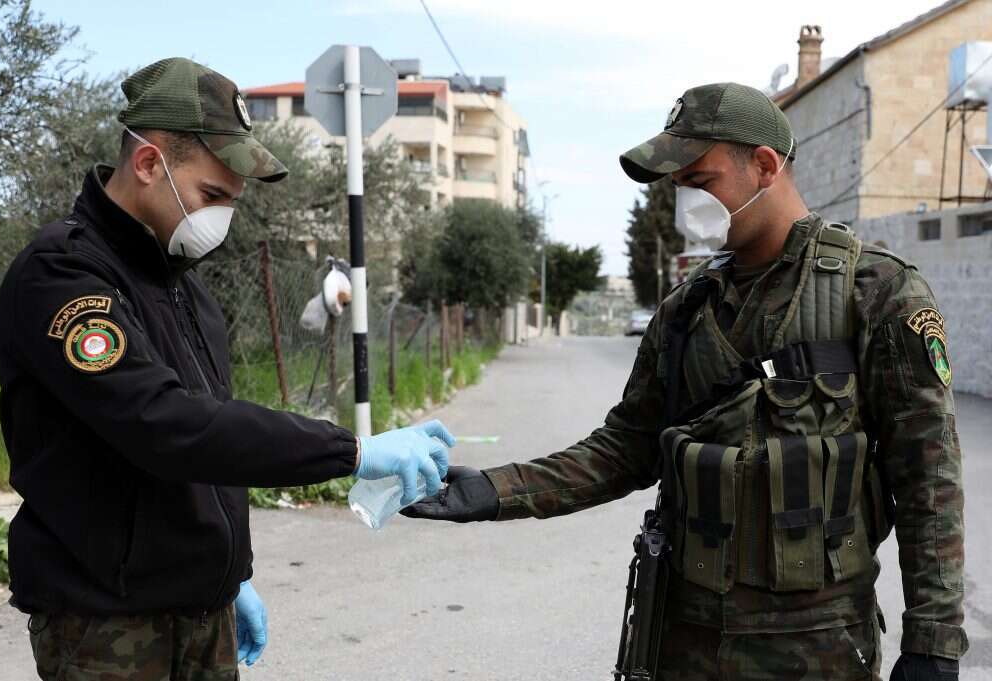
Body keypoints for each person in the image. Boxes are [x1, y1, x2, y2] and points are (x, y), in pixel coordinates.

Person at [405, 82, 966, 681]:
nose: (686, 205)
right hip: (683, 640)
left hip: (818, 647)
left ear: (766, 166)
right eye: (678, 189)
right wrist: (495, 490)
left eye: (700, 182)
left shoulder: (875, 290)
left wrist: (933, 642)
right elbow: (625, 448)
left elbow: (928, 477)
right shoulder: (685, 310)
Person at [0, 57, 454, 681]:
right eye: (212, 195)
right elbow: (168, 426)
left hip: (204, 611)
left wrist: (237, 575)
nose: (222, 218)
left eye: (231, 203)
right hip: (108, 623)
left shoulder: (189, 294)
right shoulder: (63, 277)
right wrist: (352, 452)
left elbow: (217, 451)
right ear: (150, 164)